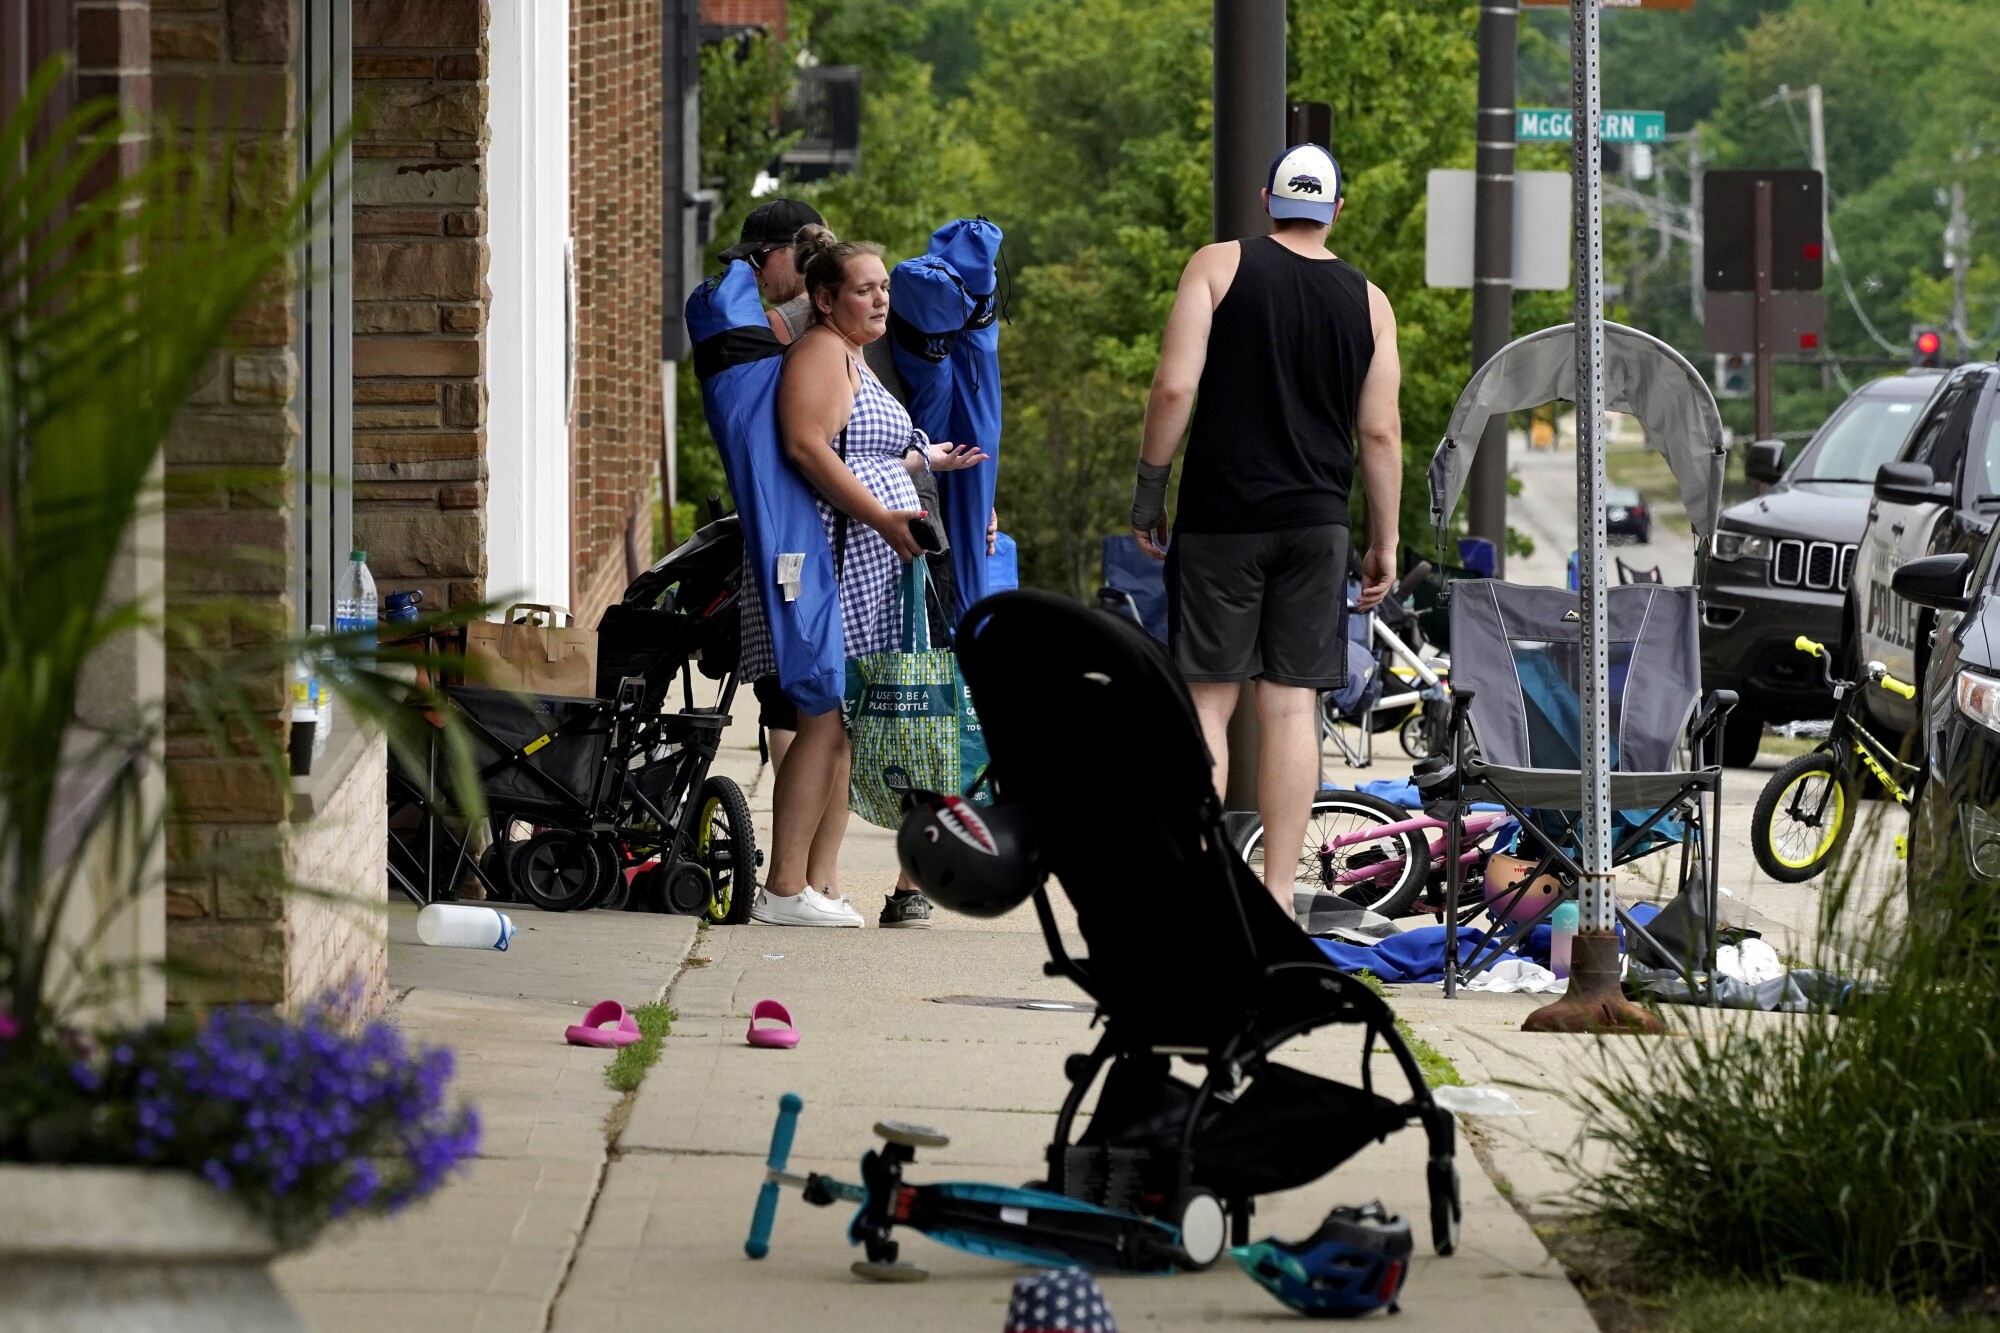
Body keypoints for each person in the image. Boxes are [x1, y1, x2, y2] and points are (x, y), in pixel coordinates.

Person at [1130, 143, 1403, 914]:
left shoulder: (1217, 266)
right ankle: (1279, 894)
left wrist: (1150, 491)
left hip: (1221, 519)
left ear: (1266, 200)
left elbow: (1174, 384)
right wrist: (1381, 540)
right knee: (1291, 711)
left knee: (1207, 706)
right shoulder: (1369, 300)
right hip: (1318, 526)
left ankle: (1196, 889)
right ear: (1337, 211)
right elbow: (1380, 433)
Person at [740, 225, 986, 927]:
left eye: (884, 287)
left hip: (863, 561)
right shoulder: (821, 353)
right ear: (824, 298)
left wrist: (927, 462)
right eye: (864, 289)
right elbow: (806, 446)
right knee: (821, 716)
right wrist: (884, 517)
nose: (880, 299)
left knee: (836, 722)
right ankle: (784, 889)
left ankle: (808, 884)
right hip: (834, 559)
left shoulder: (850, 355)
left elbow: (860, 446)